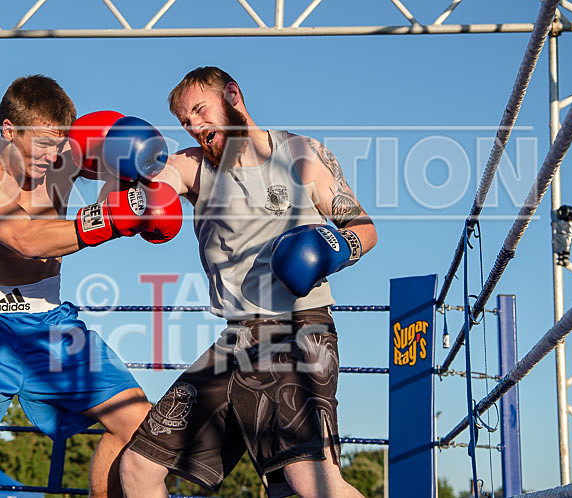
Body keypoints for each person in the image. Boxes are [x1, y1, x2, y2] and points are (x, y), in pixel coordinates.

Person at [0, 75, 181, 498]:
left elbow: (125, 173)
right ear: (9, 130)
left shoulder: (62, 155)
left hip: (53, 323)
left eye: (60, 143)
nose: (52, 156)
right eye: (42, 143)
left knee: (140, 426)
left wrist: (136, 177)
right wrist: (116, 217)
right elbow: (24, 239)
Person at [119, 67, 378, 498]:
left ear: (233, 96)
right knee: (138, 467)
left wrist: (331, 248)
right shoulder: (192, 167)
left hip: (298, 330)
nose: (196, 127)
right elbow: (150, 190)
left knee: (308, 481)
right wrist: (126, 178)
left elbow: (365, 229)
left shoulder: (302, 154)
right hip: (235, 342)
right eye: (186, 122)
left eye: (201, 111)